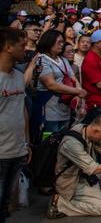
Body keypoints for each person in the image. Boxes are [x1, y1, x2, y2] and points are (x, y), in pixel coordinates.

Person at [32, 30, 85, 138]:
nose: (62, 45)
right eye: (59, 42)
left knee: (62, 140)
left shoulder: (63, 60)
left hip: (64, 108)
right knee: (48, 142)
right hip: (48, 110)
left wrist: (79, 92)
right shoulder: (42, 60)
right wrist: (78, 91)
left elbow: (73, 78)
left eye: (62, 42)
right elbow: (51, 85)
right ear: (49, 42)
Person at [0, 28, 30, 222]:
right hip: (0, 152)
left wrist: (26, 142)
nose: (25, 50)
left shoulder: (19, 76)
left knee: (6, 204)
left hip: (17, 150)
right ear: (8, 47)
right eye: (22, 45)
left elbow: (23, 110)